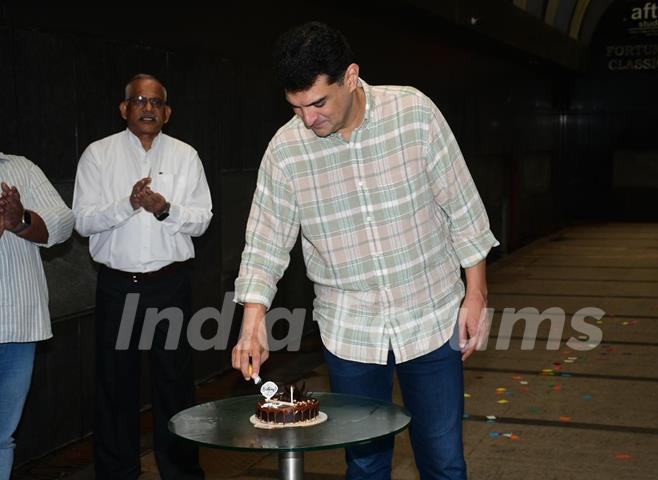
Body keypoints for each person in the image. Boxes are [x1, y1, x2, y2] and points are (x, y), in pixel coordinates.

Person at [232, 22, 499, 479]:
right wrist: (252, 322)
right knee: (366, 463)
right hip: (349, 328)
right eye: (295, 107)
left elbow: (462, 206)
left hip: (430, 316)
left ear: (351, 77)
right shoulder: (285, 151)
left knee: (443, 460)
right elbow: (265, 240)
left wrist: (476, 294)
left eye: (318, 103)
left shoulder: (413, 113)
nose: (308, 119)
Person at [73, 74, 211, 480]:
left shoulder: (186, 155)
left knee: (175, 387)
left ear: (167, 112)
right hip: (120, 289)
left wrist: (166, 209)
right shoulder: (99, 155)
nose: (147, 108)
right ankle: (117, 473)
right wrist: (129, 204)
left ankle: (181, 473)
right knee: (116, 389)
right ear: (124, 108)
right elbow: (83, 221)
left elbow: (203, 220)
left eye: (155, 102)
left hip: (169, 286)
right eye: (138, 100)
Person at [0, 153, 74, 480]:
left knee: (2, 437)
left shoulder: (20, 167)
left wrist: (21, 221)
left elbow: (62, 223)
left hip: (18, 324)